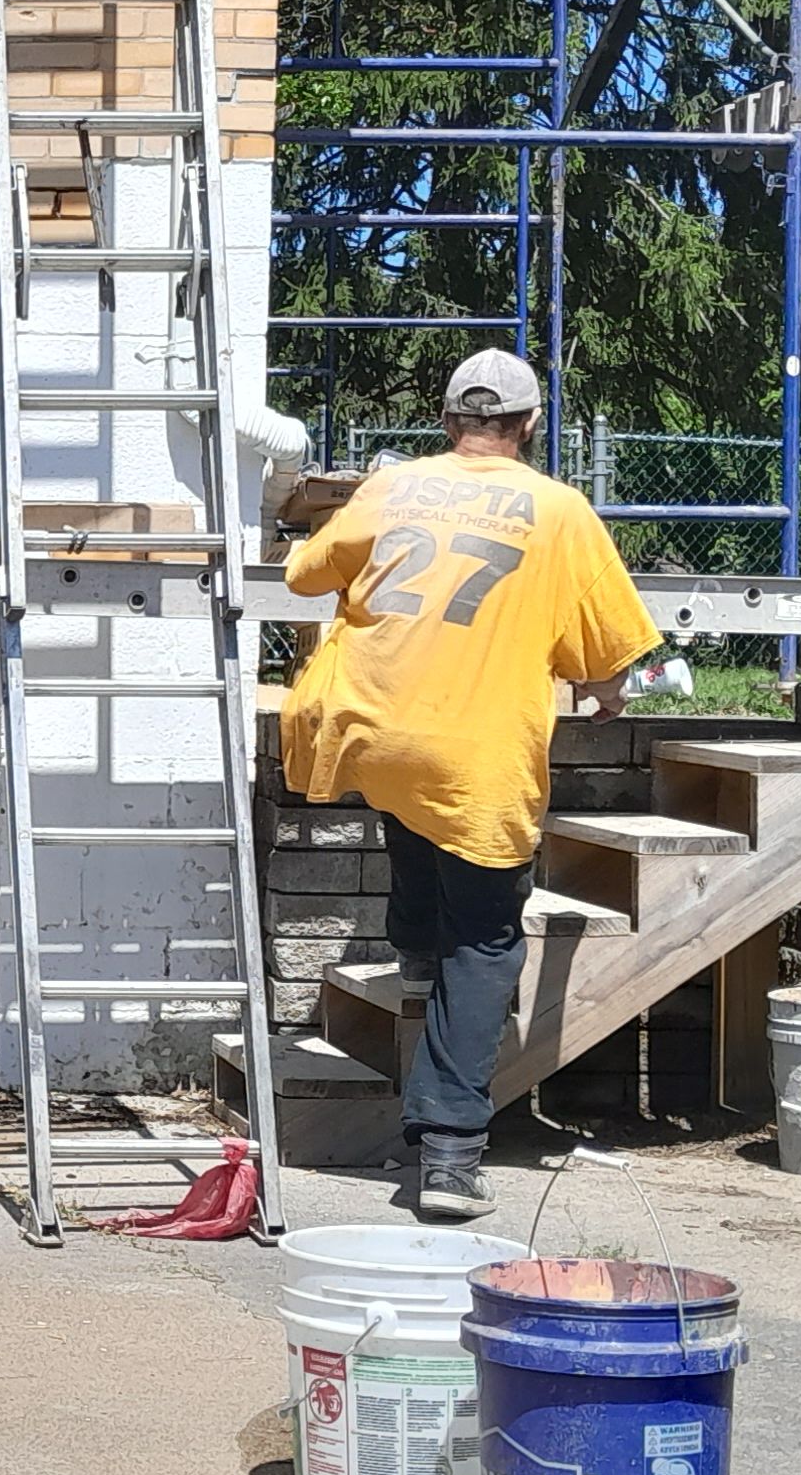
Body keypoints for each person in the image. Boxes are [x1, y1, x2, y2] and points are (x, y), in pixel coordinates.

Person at [278, 350, 658, 1221]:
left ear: (448, 421)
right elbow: (608, 655)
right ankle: (449, 1156)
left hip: (370, 726)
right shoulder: (560, 509)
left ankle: (413, 952)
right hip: (474, 749)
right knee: (485, 941)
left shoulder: (392, 487)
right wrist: (604, 689)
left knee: (415, 817)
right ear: (528, 424)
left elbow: (306, 575)